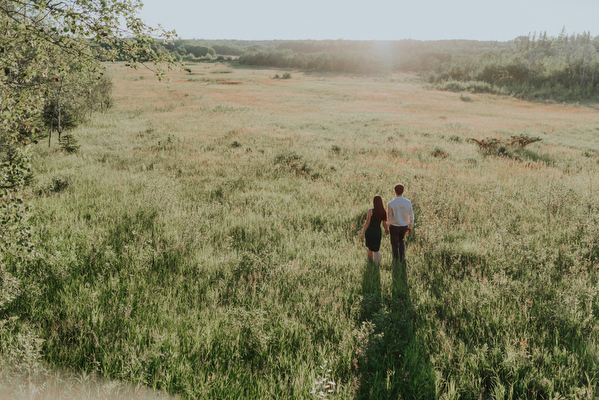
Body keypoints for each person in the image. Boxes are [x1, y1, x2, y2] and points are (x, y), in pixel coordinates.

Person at [387, 183, 414, 262]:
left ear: (395, 191)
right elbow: (411, 215)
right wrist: (410, 226)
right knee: (401, 240)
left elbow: (388, 217)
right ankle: (402, 258)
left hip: (394, 226)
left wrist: (387, 227)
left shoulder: (391, 203)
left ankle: (395, 259)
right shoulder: (408, 202)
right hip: (404, 225)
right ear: (403, 191)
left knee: (394, 244)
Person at [360, 195, 389, 265]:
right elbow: (384, 224)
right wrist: (386, 230)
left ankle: (370, 263)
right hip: (377, 231)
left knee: (370, 248)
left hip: (370, 231)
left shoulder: (371, 211)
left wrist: (362, 233)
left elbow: (367, 223)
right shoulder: (384, 212)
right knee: (376, 249)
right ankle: (376, 265)